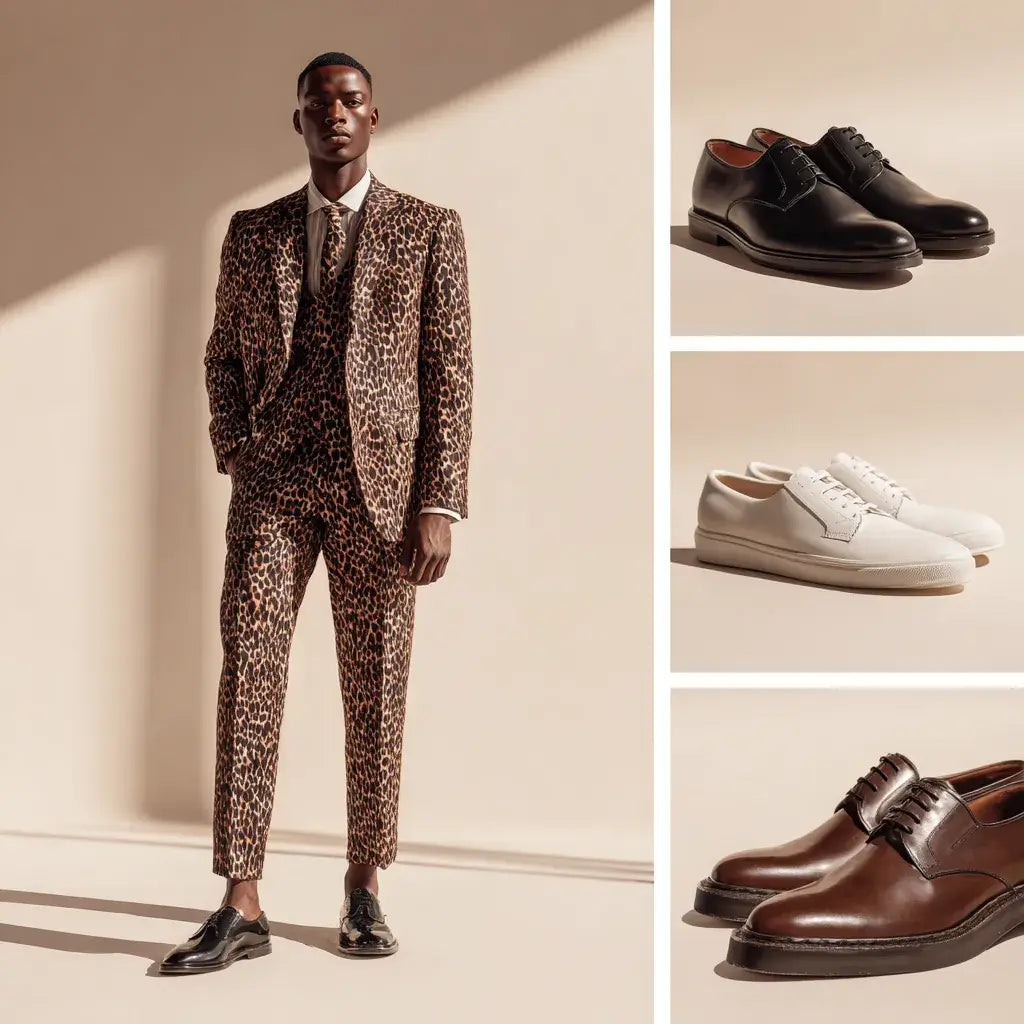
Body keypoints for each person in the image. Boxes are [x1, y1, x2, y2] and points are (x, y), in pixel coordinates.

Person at [159, 51, 472, 974]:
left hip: (381, 495)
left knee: (375, 691)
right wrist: (234, 446)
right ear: (296, 122)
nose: (335, 115)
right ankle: (241, 898)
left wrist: (439, 501)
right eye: (318, 103)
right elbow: (220, 355)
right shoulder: (251, 234)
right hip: (275, 489)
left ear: (375, 117)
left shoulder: (426, 231)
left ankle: (364, 887)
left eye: (351, 101)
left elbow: (448, 376)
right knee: (249, 676)